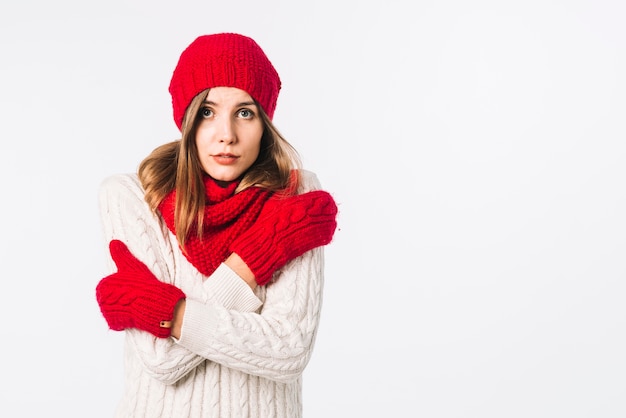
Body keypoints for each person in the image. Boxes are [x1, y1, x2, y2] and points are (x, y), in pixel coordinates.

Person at [95, 32, 338, 418]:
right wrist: (259, 256)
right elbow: (162, 360)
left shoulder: (296, 197)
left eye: (245, 112)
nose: (227, 133)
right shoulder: (133, 196)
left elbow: (289, 350)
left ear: (264, 123)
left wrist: (173, 315)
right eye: (207, 111)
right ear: (186, 119)